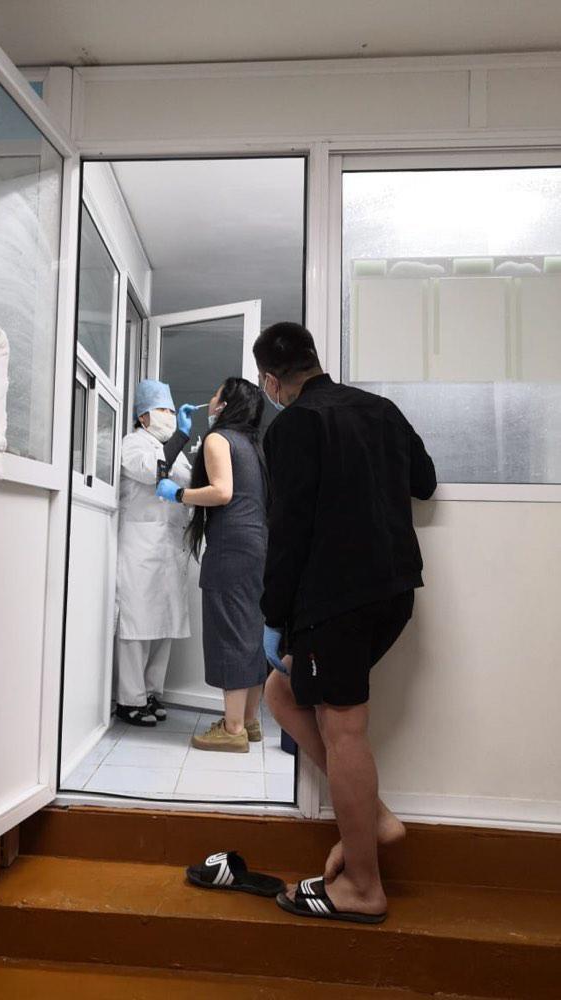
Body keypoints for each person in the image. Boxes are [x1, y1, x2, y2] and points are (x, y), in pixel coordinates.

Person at [254, 322, 436, 923]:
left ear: (272, 382)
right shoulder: (380, 409)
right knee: (282, 693)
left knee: (344, 731)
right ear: (315, 359)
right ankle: (373, 818)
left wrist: (274, 615)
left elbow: (288, 532)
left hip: (334, 601)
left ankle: (363, 886)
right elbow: (425, 482)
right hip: (394, 592)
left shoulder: (293, 425)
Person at [157, 378, 268, 753]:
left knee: (230, 632)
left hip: (231, 548)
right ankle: (249, 721)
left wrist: (179, 493)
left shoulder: (219, 439)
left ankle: (232, 729)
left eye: (217, 393)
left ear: (224, 405)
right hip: (256, 545)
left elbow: (222, 492)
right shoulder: (252, 444)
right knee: (249, 631)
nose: (211, 397)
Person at [115, 380, 197, 726]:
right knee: (137, 625)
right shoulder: (133, 443)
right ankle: (129, 700)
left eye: (171, 409)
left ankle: (151, 693)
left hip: (169, 548)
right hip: (141, 547)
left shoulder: (174, 452)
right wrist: (181, 436)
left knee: (164, 624)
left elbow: (189, 485)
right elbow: (153, 471)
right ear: (143, 416)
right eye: (162, 409)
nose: (169, 415)